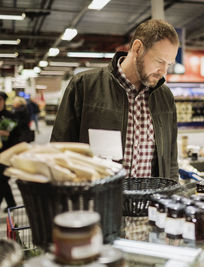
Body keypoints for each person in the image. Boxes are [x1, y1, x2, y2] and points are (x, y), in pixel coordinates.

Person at [51, 19, 179, 180]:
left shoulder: (164, 96)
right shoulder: (85, 85)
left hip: (150, 202)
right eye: (159, 61)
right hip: (97, 199)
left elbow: (171, 159)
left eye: (169, 64)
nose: (164, 71)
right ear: (137, 48)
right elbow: (59, 150)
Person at [0, 92, 17, 212]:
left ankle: (10, 203)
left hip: (7, 152)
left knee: (2, 179)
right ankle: (11, 203)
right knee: (2, 180)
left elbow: (17, 135)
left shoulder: (9, 115)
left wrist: (7, 134)